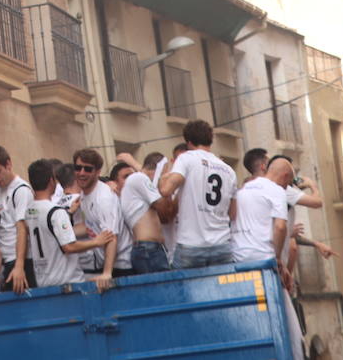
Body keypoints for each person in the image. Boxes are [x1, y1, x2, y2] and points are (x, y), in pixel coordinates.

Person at [231, 154, 303, 360]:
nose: (286, 187)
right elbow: (280, 226)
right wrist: (277, 258)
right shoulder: (276, 191)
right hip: (263, 260)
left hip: (240, 259)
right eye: (288, 183)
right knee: (288, 324)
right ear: (285, 177)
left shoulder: (244, 190)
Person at [159, 120, 238, 268]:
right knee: (222, 290)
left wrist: (163, 177)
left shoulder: (187, 158)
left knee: (184, 289)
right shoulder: (229, 170)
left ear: (188, 142)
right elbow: (233, 214)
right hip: (222, 244)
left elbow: (166, 190)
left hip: (191, 245)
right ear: (210, 140)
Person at [26, 158, 114, 288]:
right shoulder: (56, 211)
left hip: (43, 280)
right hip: (66, 279)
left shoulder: (29, 211)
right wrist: (97, 241)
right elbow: (68, 247)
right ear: (52, 181)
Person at [69, 147, 127, 283]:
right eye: (78, 168)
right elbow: (90, 224)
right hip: (108, 265)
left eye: (88, 169)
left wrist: (107, 273)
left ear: (98, 172)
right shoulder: (84, 193)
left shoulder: (104, 198)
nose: (82, 173)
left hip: (121, 265)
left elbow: (111, 236)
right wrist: (64, 233)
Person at [0, 144, 34, 293]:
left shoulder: (21, 190)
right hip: (3, 260)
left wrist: (19, 266)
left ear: (9, 164)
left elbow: (22, 229)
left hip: (20, 260)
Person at [119, 151, 172, 274]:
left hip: (151, 248)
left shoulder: (139, 180)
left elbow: (166, 216)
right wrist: (164, 183)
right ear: (157, 169)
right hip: (147, 249)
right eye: (164, 172)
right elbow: (162, 206)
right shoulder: (139, 178)